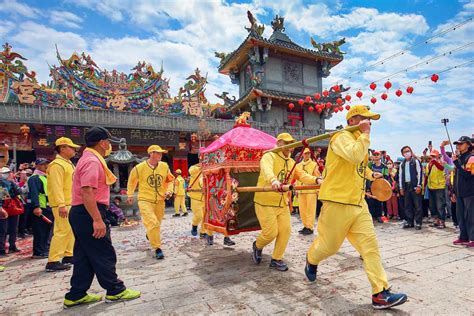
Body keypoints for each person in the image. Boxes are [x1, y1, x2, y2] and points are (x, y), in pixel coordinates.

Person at [305, 105, 407, 310]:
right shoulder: (341, 138)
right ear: (352, 121)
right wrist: (365, 135)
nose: (368, 124)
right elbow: (354, 156)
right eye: (364, 119)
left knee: (370, 248)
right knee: (329, 247)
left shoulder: (361, 142)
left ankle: (380, 292)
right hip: (337, 203)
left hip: (358, 204)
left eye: (369, 121)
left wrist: (372, 175)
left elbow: (361, 166)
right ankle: (311, 259)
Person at [64, 126, 140, 308]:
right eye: (108, 142)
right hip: (89, 212)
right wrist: (97, 219)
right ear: (102, 143)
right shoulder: (92, 161)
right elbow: (87, 191)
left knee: (84, 256)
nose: (109, 146)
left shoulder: (88, 158)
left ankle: (76, 294)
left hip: (82, 212)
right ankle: (115, 290)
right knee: (103, 252)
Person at [252, 133, 322, 272]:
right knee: (270, 233)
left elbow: (302, 175)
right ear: (279, 143)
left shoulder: (291, 162)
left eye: (292, 144)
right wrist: (273, 180)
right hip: (265, 202)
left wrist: (316, 180)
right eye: (287, 143)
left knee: (285, 231)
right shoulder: (269, 156)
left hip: (282, 202)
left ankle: (276, 259)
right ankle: (257, 246)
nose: (291, 147)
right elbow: (267, 170)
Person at [127, 145, 174, 260]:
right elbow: (132, 181)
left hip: (160, 200)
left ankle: (150, 234)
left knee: (157, 223)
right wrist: (130, 194)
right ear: (151, 153)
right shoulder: (139, 168)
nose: (160, 155)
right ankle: (157, 248)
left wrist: (169, 191)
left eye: (161, 153)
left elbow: (170, 180)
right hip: (145, 200)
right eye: (158, 153)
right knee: (153, 223)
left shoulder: (164, 166)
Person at [46, 137, 81, 272]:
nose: (74, 150)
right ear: (62, 148)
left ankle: (68, 254)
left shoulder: (68, 164)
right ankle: (53, 260)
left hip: (70, 201)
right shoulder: (56, 165)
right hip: (62, 203)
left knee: (70, 230)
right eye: (71, 147)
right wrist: (61, 204)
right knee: (62, 230)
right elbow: (56, 186)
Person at [27, 158, 54, 259]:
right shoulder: (35, 178)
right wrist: (36, 207)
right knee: (40, 231)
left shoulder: (45, 177)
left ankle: (45, 249)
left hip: (47, 207)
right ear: (38, 166)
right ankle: (38, 252)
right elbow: (34, 193)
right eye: (43, 165)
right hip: (40, 208)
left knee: (47, 230)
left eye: (47, 164)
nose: (46, 166)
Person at [452, 136, 474, 248]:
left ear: (468, 145)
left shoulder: (471, 158)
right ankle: (463, 236)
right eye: (457, 144)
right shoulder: (458, 158)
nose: (458, 145)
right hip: (459, 192)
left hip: (469, 191)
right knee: (460, 215)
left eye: (461, 143)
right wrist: (453, 192)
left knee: (470, 216)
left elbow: (468, 175)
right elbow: (455, 177)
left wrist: (456, 164)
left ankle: (473, 238)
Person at [296, 148, 321, 235]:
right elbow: (297, 178)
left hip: (311, 190)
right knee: (302, 210)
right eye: (305, 153)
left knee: (310, 210)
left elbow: (317, 177)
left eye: (308, 154)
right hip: (301, 190)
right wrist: (296, 189)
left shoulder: (314, 165)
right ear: (302, 154)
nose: (307, 155)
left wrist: (318, 190)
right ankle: (305, 226)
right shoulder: (298, 165)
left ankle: (309, 227)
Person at [399, 146, 423, 230]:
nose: (407, 153)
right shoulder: (402, 164)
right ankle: (410, 222)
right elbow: (400, 176)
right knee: (407, 205)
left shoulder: (415, 161)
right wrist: (401, 188)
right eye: (405, 152)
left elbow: (420, 174)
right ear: (402, 154)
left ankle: (418, 222)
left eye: (408, 151)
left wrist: (419, 185)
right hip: (406, 186)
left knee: (418, 205)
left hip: (415, 186)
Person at [0, 167, 23, 256]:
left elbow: (19, 191)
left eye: (9, 172)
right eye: (6, 173)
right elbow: (4, 197)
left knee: (13, 228)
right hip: (4, 208)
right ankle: (1, 249)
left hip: (13, 208)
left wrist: (12, 183)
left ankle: (12, 246)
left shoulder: (11, 183)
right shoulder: (1, 184)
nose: (8, 174)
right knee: (3, 230)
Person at [425, 150, 447, 229]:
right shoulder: (428, 164)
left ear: (438, 156)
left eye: (434, 156)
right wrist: (424, 186)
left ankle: (442, 221)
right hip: (431, 187)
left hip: (439, 187)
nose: (432, 158)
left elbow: (441, 168)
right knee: (432, 205)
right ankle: (436, 220)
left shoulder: (441, 162)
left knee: (440, 205)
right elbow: (426, 175)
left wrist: (435, 162)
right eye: (431, 156)